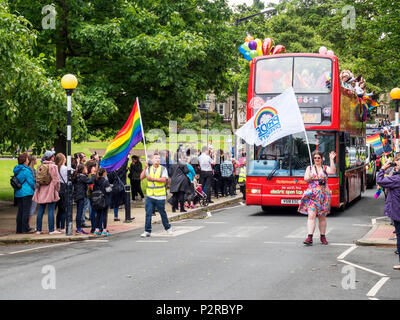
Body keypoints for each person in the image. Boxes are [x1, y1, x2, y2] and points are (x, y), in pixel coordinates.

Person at [298, 150, 336, 245]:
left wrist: (331, 159)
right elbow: (305, 178)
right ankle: (309, 237)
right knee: (311, 215)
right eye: (315, 158)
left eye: (319, 157)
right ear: (313, 159)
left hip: (323, 196)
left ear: (321, 158)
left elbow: (333, 171)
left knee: (322, 217)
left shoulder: (325, 167)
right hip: (312, 196)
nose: (317, 159)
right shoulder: (309, 168)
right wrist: (310, 177)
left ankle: (323, 237)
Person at [139, 154, 172, 237]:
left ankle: (168, 228)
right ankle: (147, 231)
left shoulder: (163, 169)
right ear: (152, 160)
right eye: (156, 158)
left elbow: (164, 180)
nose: (158, 159)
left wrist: (153, 179)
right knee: (148, 213)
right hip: (150, 195)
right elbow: (141, 177)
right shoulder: (149, 169)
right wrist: (145, 167)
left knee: (162, 213)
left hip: (160, 195)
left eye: (159, 158)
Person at [376, 157, 400, 270]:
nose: (396, 163)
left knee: (399, 236)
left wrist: (382, 168)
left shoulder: (396, 179)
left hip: (398, 212)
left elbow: (380, 181)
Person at [33, 151, 61, 235]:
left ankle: (38, 229)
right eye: (53, 155)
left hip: (41, 191)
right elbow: (56, 180)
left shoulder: (40, 166)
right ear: (51, 157)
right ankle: (51, 230)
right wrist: (57, 189)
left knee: (41, 210)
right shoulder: (53, 166)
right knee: (51, 210)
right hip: (50, 191)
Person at [13, 153, 36, 233]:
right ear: (24, 161)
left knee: (20, 211)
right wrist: (35, 189)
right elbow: (31, 182)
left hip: (18, 193)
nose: (28, 160)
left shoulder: (17, 169)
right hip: (26, 193)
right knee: (26, 211)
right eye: (27, 159)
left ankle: (19, 229)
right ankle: (25, 229)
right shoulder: (26, 170)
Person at [72, 163, 95, 234]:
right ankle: (78, 229)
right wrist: (93, 173)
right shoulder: (82, 176)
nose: (86, 169)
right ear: (82, 170)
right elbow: (90, 181)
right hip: (81, 196)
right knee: (80, 212)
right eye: (85, 168)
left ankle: (79, 228)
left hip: (77, 196)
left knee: (79, 212)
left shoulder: (78, 176)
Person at [93, 167, 112, 236]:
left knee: (98, 215)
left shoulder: (96, 180)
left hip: (97, 200)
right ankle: (104, 230)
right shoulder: (105, 181)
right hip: (104, 200)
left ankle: (96, 229)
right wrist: (110, 187)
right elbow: (108, 190)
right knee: (104, 215)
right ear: (104, 173)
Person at [55, 153, 67, 232]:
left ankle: (57, 226)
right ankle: (62, 227)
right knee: (63, 209)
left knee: (58, 210)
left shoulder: (55, 167)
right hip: (63, 188)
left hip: (56, 189)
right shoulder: (65, 168)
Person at [27, 154, 38, 230]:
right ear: (33, 161)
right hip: (33, 191)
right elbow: (34, 181)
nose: (37, 160)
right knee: (31, 208)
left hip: (30, 191)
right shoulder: (32, 170)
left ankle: (27, 224)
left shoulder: (29, 169)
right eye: (36, 159)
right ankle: (28, 225)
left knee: (29, 208)